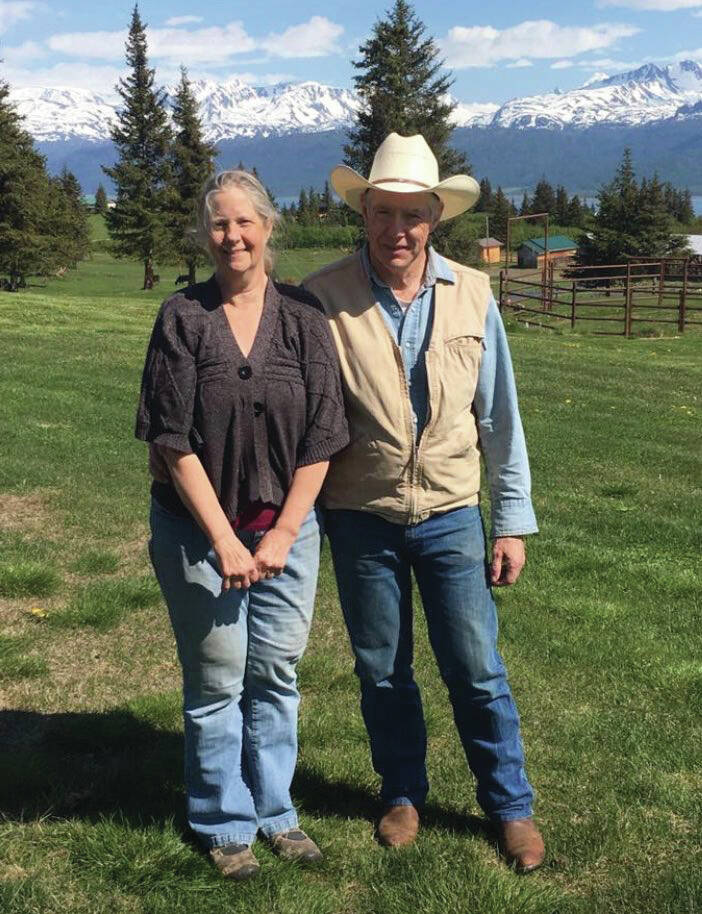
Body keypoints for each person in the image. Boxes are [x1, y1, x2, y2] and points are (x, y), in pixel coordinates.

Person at [302, 133, 545, 873]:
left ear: (435, 216)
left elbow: (499, 416)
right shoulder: (323, 297)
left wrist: (511, 520)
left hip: (451, 513)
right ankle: (402, 792)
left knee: (475, 667)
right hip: (360, 514)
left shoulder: (473, 291)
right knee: (382, 669)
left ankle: (510, 807)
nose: (396, 229)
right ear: (364, 213)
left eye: (412, 214)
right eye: (383, 212)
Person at [135, 169, 349, 880]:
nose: (232, 236)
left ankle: (276, 812)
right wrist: (224, 538)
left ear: (268, 228)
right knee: (218, 680)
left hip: (287, 529)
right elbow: (171, 439)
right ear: (207, 234)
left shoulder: (303, 316)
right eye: (219, 225)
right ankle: (223, 821)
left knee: (276, 673)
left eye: (244, 223)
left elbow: (324, 434)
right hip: (200, 531)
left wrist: (285, 531)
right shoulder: (182, 317)